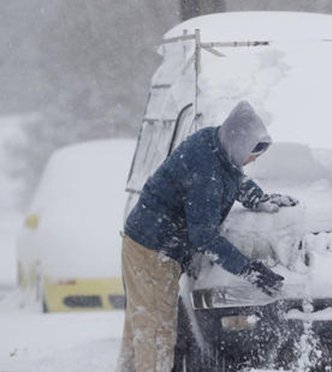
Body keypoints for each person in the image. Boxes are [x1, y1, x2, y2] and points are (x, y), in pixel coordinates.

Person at [116, 101, 297, 372]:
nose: (254, 159)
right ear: (237, 143)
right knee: (156, 333)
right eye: (252, 152)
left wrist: (257, 197)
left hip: (146, 241)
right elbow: (203, 236)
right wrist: (250, 270)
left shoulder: (214, 142)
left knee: (140, 330)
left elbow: (233, 175)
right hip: (153, 251)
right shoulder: (207, 174)